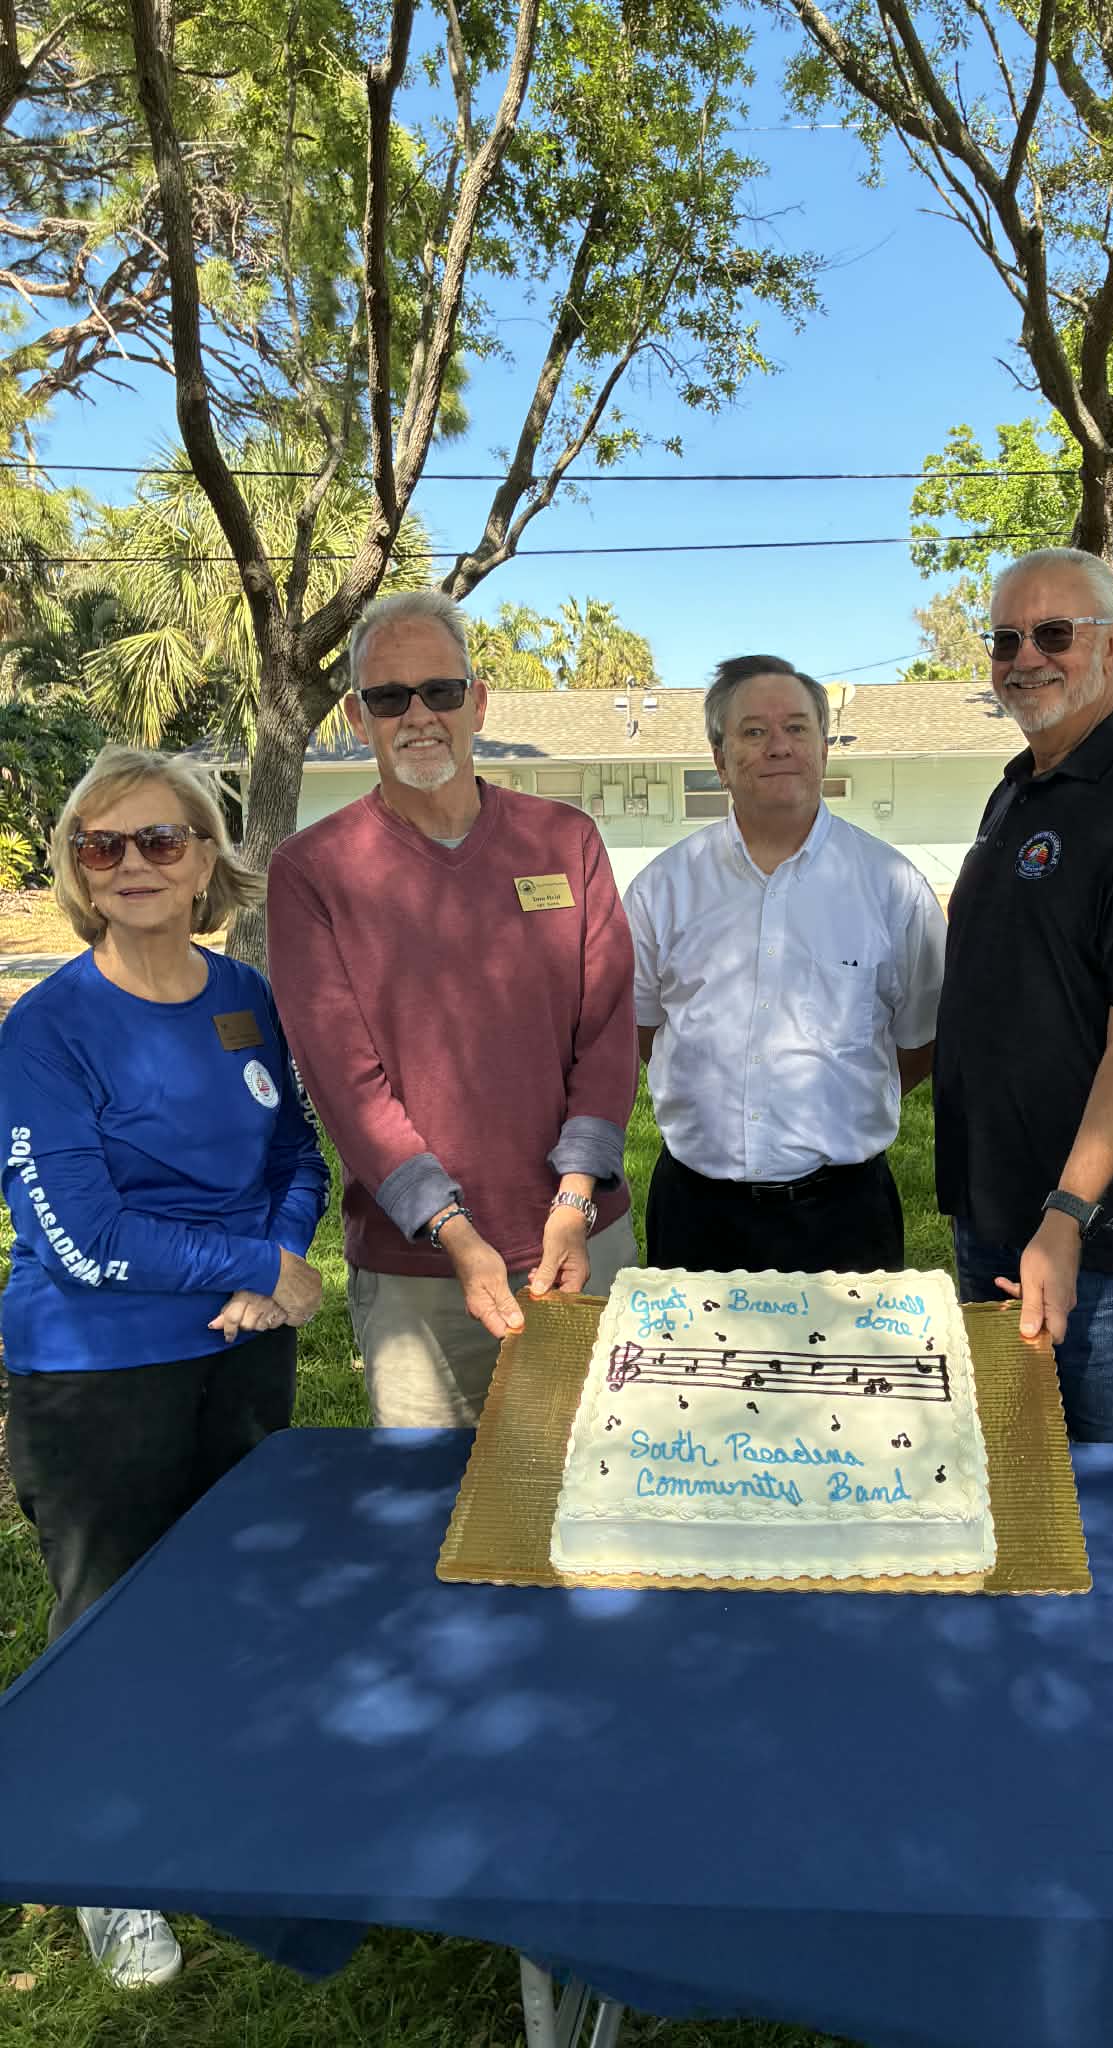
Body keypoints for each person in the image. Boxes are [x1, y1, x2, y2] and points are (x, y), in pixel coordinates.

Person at [0, 745, 327, 1988]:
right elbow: (76, 1235)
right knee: (108, 1614)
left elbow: (297, 1148)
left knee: (231, 1587)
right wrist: (249, 1258)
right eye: (102, 844)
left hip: (244, 1346)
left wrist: (281, 1256)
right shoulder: (46, 1028)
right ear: (79, 872)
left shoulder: (244, 992)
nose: (131, 863)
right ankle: (102, 1865)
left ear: (207, 856)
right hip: (99, 1365)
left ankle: (211, 1809)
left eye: (160, 839)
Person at [266, 590, 637, 1428]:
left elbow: (608, 1033)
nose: (418, 716)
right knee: (433, 1523)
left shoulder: (564, 841)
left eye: (438, 690)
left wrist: (575, 1201)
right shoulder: (313, 871)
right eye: (389, 698)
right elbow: (345, 1082)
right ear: (359, 719)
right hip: (420, 1274)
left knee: (603, 1486)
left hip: (582, 1241)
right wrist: (456, 1232)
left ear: (477, 701)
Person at [933, 548, 1113, 1443]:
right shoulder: (1015, 792)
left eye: (1055, 633)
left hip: (1102, 1248)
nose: (1026, 657)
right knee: (1010, 1496)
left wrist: (1065, 1218)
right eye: (1006, 638)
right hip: (994, 1219)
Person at [625, 654, 946, 1271]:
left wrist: (835, 1102)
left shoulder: (892, 887)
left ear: (824, 749)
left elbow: (918, 1042)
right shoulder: (660, 890)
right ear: (720, 760)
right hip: (697, 1212)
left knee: (852, 1374)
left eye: (797, 728)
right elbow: (641, 1031)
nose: (779, 746)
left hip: (846, 1217)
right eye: (753, 731)